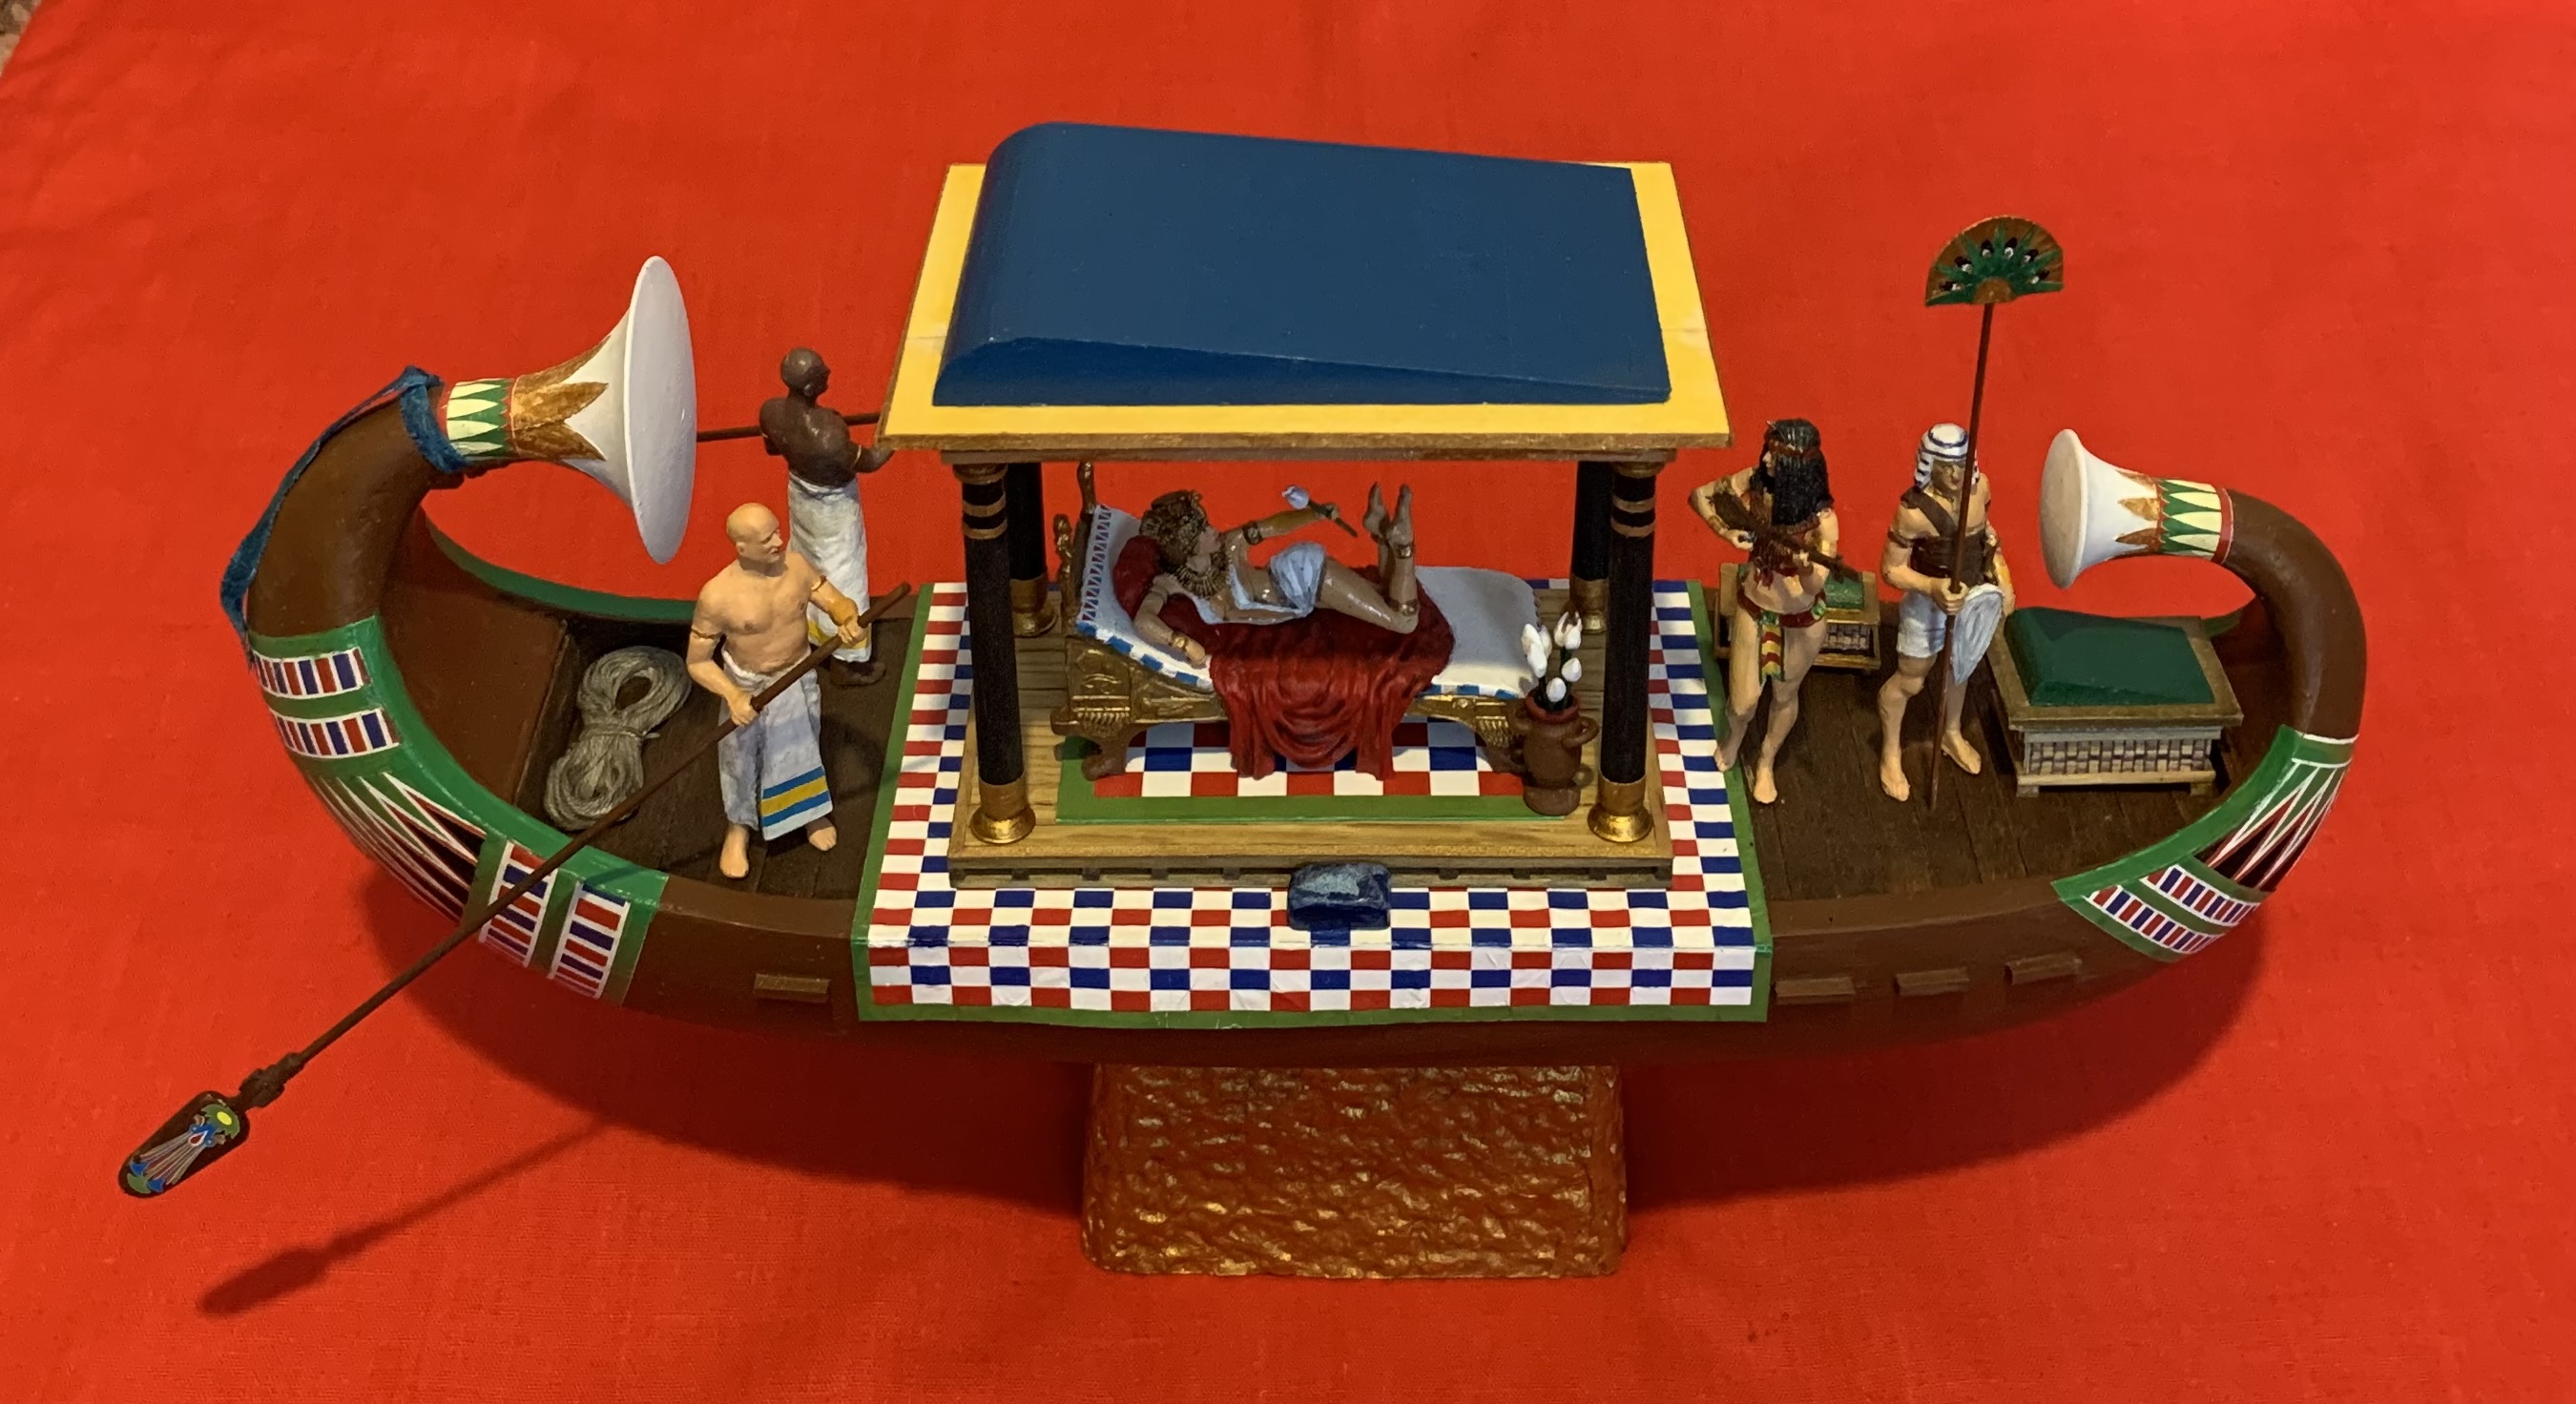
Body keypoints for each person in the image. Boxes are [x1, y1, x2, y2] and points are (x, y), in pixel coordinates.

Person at [686, 503, 866, 879]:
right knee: (740, 758)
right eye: (767, 538)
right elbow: (698, 662)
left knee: (802, 746)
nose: (778, 541)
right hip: (745, 684)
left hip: (796, 675)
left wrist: (847, 619)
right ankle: (738, 827)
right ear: (742, 547)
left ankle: (810, 811)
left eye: (777, 532)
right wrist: (733, 695)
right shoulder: (717, 595)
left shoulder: (796, 568)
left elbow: (836, 601)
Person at [1688, 419, 1839, 805]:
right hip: (1755, 608)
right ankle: (1735, 735)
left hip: (1802, 620)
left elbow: (1814, 586)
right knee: (1741, 702)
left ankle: (1767, 759)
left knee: (1785, 695)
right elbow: (1701, 495)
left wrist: (1805, 567)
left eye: (1778, 457)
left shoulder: (1823, 522)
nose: (1768, 460)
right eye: (1768, 451)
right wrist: (1724, 531)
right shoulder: (1753, 483)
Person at [1130, 484, 1420, 668]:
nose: (1213, 530)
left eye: (1207, 524)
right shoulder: (1173, 583)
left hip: (1304, 579)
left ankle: (1403, 544)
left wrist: (1313, 515)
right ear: (1187, 546)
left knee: (1403, 620)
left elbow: (1272, 527)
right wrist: (1183, 643)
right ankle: (1381, 533)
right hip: (1300, 598)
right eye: (1203, 530)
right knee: (1386, 598)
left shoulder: (1229, 545)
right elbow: (1143, 620)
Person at [1876, 423, 2017, 801]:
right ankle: (1891, 751)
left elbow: (1987, 537)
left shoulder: (1981, 490)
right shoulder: (1913, 513)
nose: (1955, 475)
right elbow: (1891, 569)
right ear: (1929, 465)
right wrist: (1931, 587)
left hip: (1972, 595)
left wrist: (2002, 578)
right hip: (1928, 603)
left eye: (1962, 465)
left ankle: (1951, 732)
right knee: (1911, 680)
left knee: (1961, 667)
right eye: (1945, 467)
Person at [759, 348, 891, 684]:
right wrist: (896, 432)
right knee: (844, 572)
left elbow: (772, 448)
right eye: (822, 373)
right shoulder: (829, 435)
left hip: (800, 493)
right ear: (809, 387)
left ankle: (810, 633)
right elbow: (871, 461)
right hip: (834, 507)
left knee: (805, 561)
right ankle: (847, 660)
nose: (829, 371)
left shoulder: (771, 412)